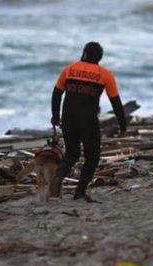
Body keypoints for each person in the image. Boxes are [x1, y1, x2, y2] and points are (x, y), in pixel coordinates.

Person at [50, 42, 127, 201]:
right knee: (92, 157)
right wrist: (123, 125)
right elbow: (116, 102)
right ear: (99, 57)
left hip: (68, 117)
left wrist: (55, 116)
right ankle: (79, 192)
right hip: (88, 120)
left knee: (72, 153)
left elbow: (56, 94)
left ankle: (58, 177)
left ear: (84, 54)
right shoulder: (105, 75)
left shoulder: (69, 69)